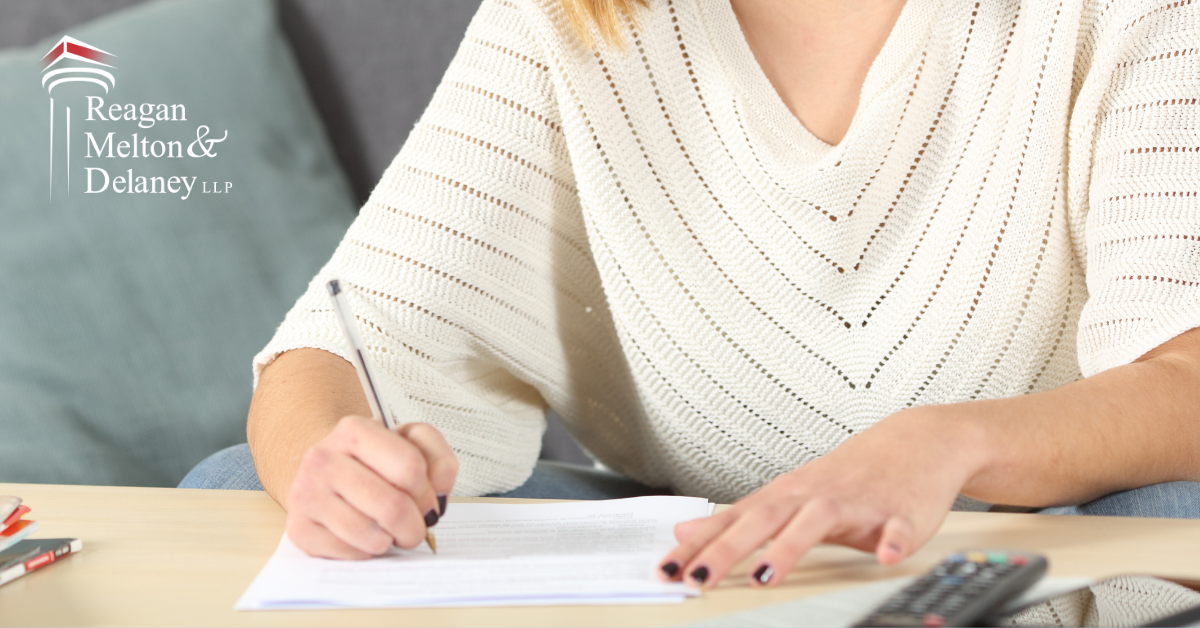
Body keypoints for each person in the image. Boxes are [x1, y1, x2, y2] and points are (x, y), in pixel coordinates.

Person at [182, 0, 1200, 590]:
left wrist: (944, 441)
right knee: (245, 488)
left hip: (1020, 554)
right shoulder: (576, 18)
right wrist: (338, 467)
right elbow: (329, 352)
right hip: (695, 571)